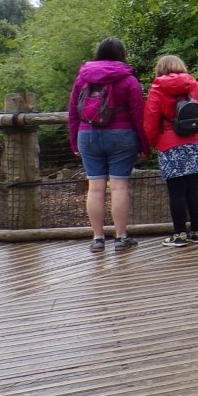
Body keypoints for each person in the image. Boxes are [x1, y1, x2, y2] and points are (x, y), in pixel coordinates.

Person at [68, 37, 148, 253]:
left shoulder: (82, 78)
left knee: (94, 188)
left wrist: (74, 140)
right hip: (122, 135)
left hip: (89, 135)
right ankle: (121, 237)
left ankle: (98, 239)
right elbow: (138, 114)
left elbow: (73, 112)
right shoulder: (128, 79)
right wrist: (144, 144)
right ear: (121, 54)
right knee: (119, 186)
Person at [144, 55, 198, 247]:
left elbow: (150, 124)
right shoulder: (196, 87)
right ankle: (197, 232)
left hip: (170, 145)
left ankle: (179, 236)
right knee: (194, 189)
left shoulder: (157, 91)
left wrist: (155, 143)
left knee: (176, 192)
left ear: (159, 70)